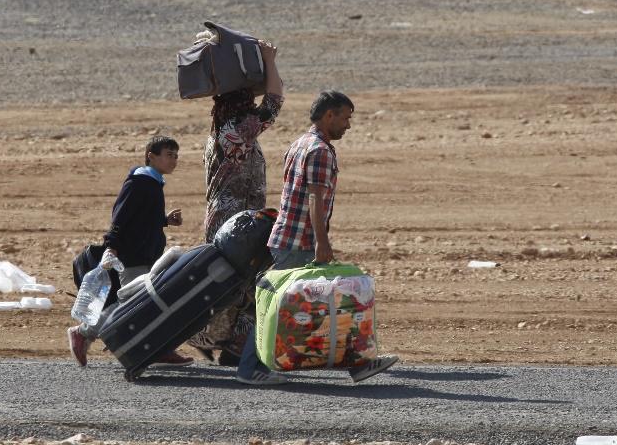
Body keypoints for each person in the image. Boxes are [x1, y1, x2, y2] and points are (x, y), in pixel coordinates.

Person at [236, 90, 399, 385]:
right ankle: (250, 369)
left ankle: (358, 364)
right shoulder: (320, 151)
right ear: (329, 116)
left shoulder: (300, 143)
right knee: (282, 306)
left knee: (326, 304)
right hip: (300, 242)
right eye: (345, 118)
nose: (347, 125)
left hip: (289, 236)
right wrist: (322, 243)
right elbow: (315, 199)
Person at [187, 39, 284, 365]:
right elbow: (273, 104)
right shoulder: (235, 131)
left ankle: (232, 346)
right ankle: (208, 337)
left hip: (234, 220)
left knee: (241, 286)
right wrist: (269, 61)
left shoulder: (223, 132)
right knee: (235, 286)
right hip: (234, 223)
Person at [67, 135, 194, 368]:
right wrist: (111, 247)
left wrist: (164, 221)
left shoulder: (153, 183)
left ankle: (160, 349)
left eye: (176, 156)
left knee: (151, 303)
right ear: (151, 156)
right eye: (169, 155)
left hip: (146, 254)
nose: (174, 160)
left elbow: (141, 219)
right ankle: (83, 333)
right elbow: (120, 217)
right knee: (133, 304)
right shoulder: (138, 183)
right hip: (133, 256)